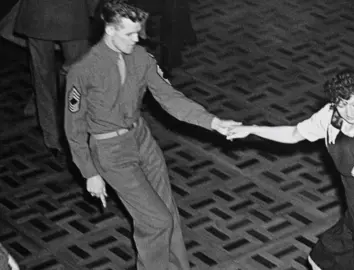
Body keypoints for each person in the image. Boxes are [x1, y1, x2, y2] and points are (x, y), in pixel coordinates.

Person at [64, 1, 240, 269]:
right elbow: (73, 127)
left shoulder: (142, 58)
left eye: (139, 31)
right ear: (110, 30)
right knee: (156, 220)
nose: (138, 38)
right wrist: (89, 172)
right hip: (110, 150)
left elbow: (170, 98)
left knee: (168, 210)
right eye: (130, 34)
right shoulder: (82, 71)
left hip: (142, 139)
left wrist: (213, 122)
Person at [226, 70, 354, 270]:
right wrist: (252, 129)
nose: (350, 112)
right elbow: (294, 134)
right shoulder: (330, 116)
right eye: (342, 104)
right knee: (320, 260)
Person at [14, 0, 96, 159]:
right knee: (68, 74)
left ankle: (57, 134)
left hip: (48, 12)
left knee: (49, 74)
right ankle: (65, 133)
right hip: (61, 11)